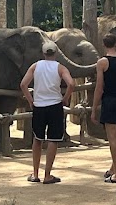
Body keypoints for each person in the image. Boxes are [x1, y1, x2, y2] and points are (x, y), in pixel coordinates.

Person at [20, 43, 75, 185]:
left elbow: (23, 84)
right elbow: (71, 84)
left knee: (37, 139)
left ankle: (35, 173)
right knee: (53, 139)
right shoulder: (60, 68)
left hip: (39, 106)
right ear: (56, 53)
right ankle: (48, 174)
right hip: (55, 105)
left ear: (43, 53)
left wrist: (31, 100)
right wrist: (65, 98)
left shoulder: (35, 66)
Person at [91, 33, 116, 184]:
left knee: (112, 138)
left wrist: (94, 108)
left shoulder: (102, 62)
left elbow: (100, 87)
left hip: (109, 101)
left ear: (104, 44)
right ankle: (113, 168)